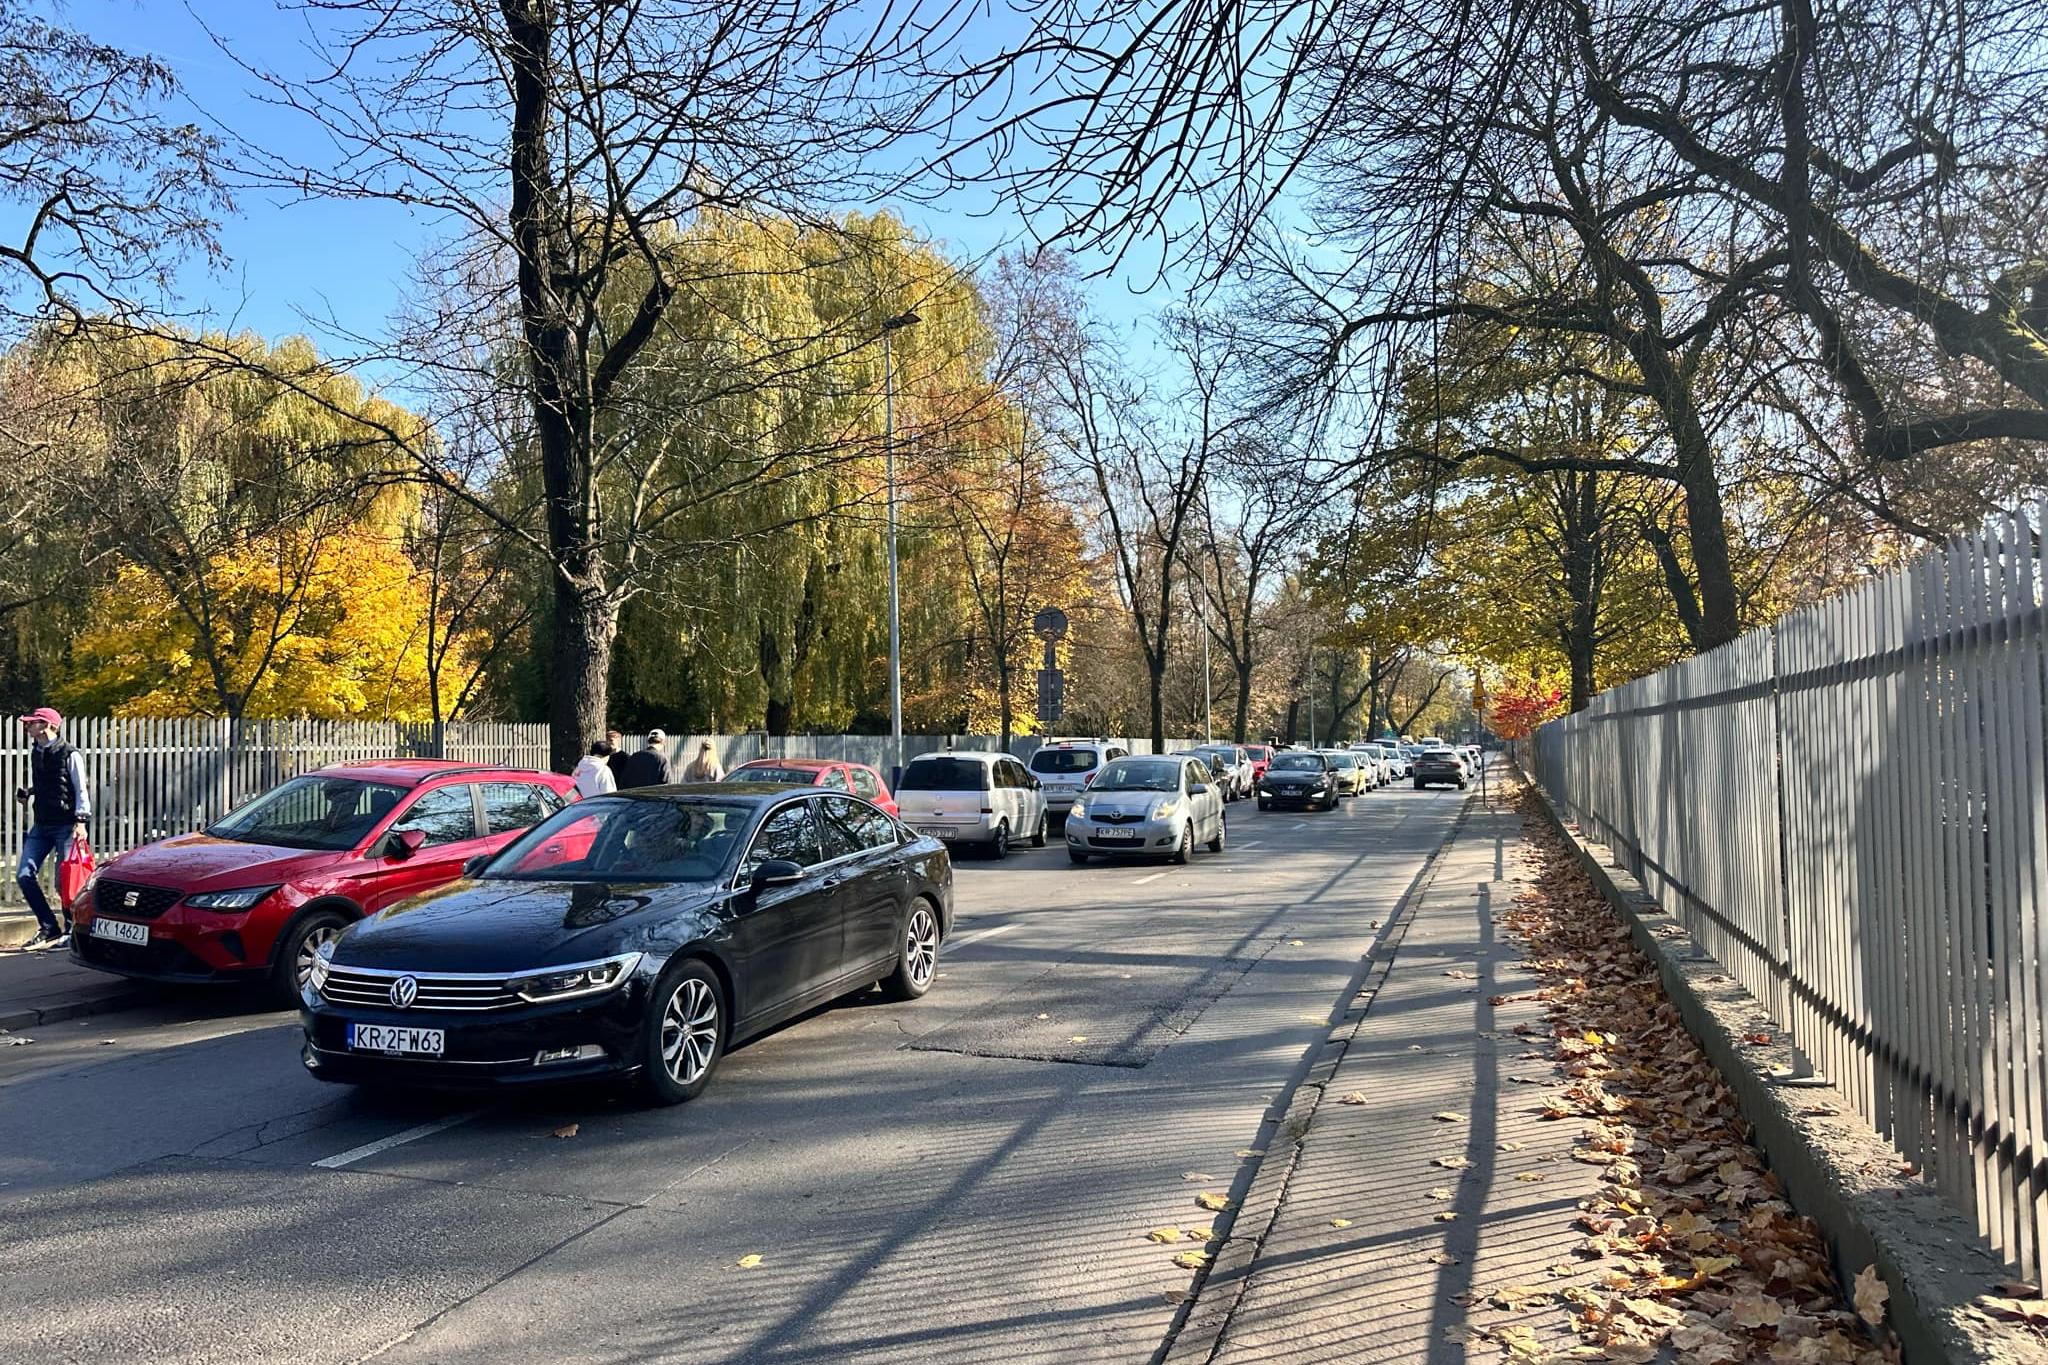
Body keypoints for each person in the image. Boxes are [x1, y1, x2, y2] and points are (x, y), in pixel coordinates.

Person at [14, 707, 89, 950]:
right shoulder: (36, 751)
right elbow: (49, 783)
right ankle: (48, 927)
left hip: (66, 826)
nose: (28, 726)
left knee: (64, 882)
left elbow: (79, 789)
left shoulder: (70, 754)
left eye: (32, 723)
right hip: (42, 824)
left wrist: (81, 821)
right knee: (24, 875)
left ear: (46, 725)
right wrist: (30, 793)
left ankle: (71, 930)